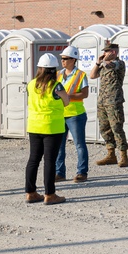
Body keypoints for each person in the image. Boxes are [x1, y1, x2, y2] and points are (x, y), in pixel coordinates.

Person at [25, 53, 71, 204]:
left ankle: (30, 192)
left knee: (33, 159)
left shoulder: (31, 84)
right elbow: (66, 102)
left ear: (40, 68)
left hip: (34, 126)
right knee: (49, 161)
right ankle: (49, 194)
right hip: (52, 127)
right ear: (54, 70)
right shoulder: (56, 86)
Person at [90, 42, 128, 167]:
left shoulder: (119, 63)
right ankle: (111, 155)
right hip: (102, 101)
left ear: (113, 52)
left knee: (116, 128)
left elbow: (111, 65)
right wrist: (98, 62)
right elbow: (92, 75)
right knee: (104, 128)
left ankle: (123, 156)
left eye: (107, 51)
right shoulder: (102, 65)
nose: (104, 54)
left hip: (114, 102)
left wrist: (105, 61)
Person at [55, 46, 90, 183]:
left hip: (76, 115)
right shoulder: (58, 74)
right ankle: (59, 173)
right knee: (59, 146)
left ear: (73, 60)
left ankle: (82, 172)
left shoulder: (81, 75)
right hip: (60, 114)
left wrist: (67, 96)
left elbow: (85, 93)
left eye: (65, 58)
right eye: (62, 58)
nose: (62, 61)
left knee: (79, 145)